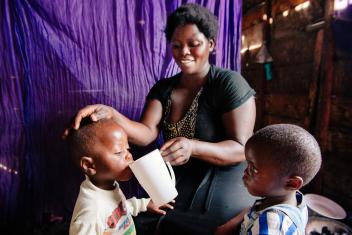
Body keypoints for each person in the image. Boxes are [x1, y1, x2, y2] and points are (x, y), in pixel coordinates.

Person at [65, 3, 256, 234]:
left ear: (211, 44)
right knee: (153, 219)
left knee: (208, 228)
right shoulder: (164, 89)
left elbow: (241, 148)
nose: (184, 52)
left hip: (224, 179)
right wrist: (112, 114)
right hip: (180, 178)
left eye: (193, 44)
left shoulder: (228, 83)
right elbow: (146, 134)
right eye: (177, 45)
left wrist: (193, 147)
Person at [66, 118, 173, 235]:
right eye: (118, 152)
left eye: (127, 149)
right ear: (89, 165)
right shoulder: (91, 213)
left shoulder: (108, 185)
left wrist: (144, 204)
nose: (129, 156)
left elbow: (119, 209)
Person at [215, 124, 322, 235]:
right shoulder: (295, 199)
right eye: (247, 164)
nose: (245, 171)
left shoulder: (272, 224)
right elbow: (251, 210)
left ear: (292, 183)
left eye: (253, 169)